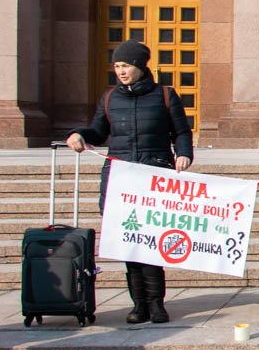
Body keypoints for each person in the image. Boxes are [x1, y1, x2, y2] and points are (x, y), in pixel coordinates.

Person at [66, 40, 193, 324]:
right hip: (119, 180)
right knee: (130, 243)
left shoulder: (165, 96)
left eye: (126, 66)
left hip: (153, 177)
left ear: (140, 66)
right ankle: (138, 305)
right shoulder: (110, 98)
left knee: (152, 241)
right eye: (117, 66)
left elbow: (181, 132)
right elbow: (98, 131)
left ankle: (156, 303)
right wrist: (80, 134)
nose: (120, 71)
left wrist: (183, 154)